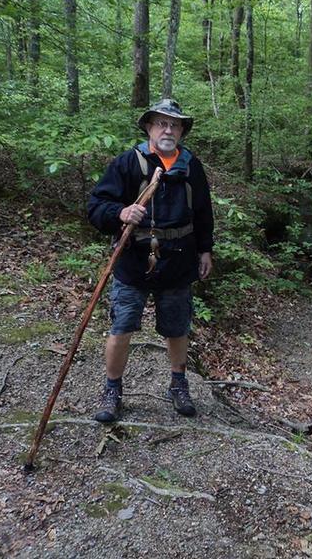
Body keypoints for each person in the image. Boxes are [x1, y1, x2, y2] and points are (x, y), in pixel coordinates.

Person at [87, 99, 214, 422]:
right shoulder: (128, 164)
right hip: (132, 260)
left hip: (179, 261)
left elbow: (203, 213)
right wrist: (121, 212)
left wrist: (205, 250)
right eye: (161, 123)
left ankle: (178, 385)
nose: (168, 129)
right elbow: (96, 206)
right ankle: (112, 390)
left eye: (174, 125)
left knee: (177, 328)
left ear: (182, 130)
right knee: (121, 326)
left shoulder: (191, 166)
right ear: (149, 127)